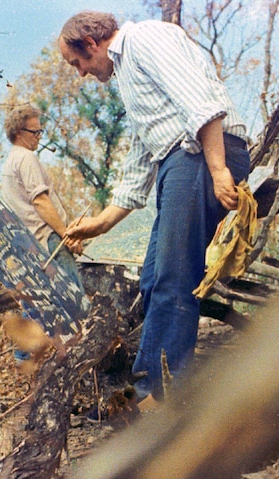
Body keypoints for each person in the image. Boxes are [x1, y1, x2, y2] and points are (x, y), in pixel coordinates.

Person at [59, 11, 251, 403]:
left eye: (77, 63)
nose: (80, 73)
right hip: (178, 161)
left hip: (200, 154)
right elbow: (139, 158)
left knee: (175, 277)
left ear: (92, 44)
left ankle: (161, 400)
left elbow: (202, 101)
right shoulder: (127, 73)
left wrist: (217, 169)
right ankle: (145, 390)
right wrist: (100, 224)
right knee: (154, 280)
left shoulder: (146, 39)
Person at [1, 102, 85, 361]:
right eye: (34, 132)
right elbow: (40, 201)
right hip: (47, 240)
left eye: (40, 132)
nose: (38, 137)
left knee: (39, 304)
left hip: (31, 244)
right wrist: (66, 235)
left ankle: (25, 363)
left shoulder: (10, 162)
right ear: (19, 132)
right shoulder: (25, 158)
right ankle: (80, 360)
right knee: (74, 301)